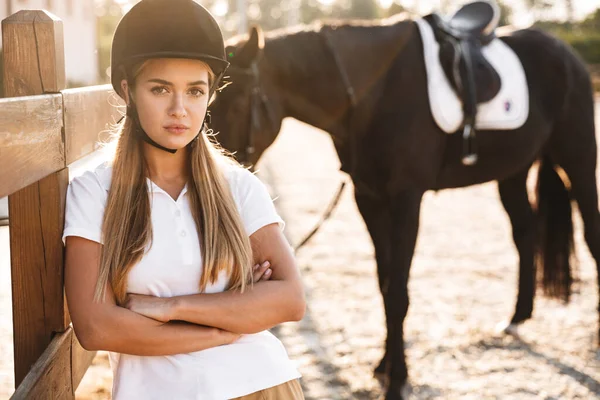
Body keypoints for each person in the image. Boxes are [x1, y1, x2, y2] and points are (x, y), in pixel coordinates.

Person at [62, 1, 306, 399]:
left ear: (210, 96)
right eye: (160, 89)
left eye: (195, 90)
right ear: (128, 90)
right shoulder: (95, 191)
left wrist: (168, 308)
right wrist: (228, 321)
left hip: (263, 384)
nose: (180, 110)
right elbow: (96, 327)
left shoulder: (238, 187)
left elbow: (291, 300)